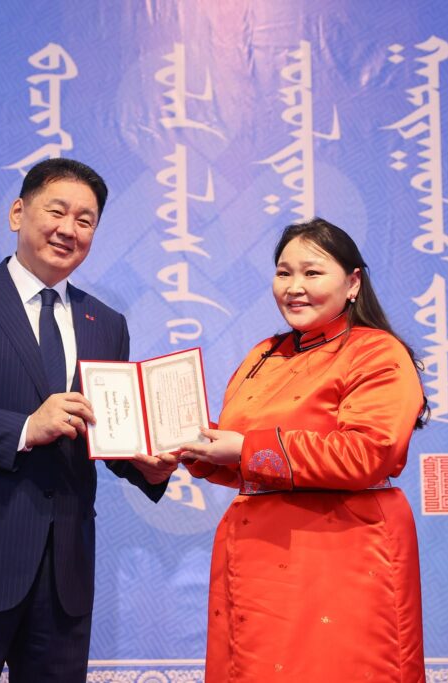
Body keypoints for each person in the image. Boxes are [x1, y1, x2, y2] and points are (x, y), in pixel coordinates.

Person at [0, 158, 177, 683]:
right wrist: (26, 427)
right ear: (17, 213)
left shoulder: (106, 324)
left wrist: (145, 467)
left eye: (85, 220)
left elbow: (102, 428)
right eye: (57, 211)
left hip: (63, 578)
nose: (69, 229)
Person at [172, 218, 429, 682]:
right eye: (283, 273)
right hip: (254, 558)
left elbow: (369, 453)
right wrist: (197, 450)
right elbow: (245, 458)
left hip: (338, 554)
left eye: (312, 272)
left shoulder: (377, 352)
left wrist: (245, 450)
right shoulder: (264, 354)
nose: (294, 287)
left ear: (353, 283)